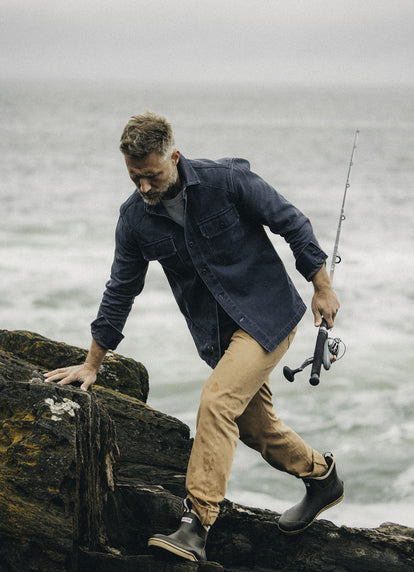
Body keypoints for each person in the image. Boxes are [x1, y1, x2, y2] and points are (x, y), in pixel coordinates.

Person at [44, 112, 344, 562]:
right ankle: (322, 478)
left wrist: (322, 286)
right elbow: (120, 290)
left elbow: (291, 222)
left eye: (152, 176)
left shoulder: (225, 181)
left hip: (267, 313)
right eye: (134, 178)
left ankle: (196, 524)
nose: (144, 187)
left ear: (174, 157)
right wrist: (92, 364)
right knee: (255, 426)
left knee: (217, 402)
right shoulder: (134, 220)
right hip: (216, 335)